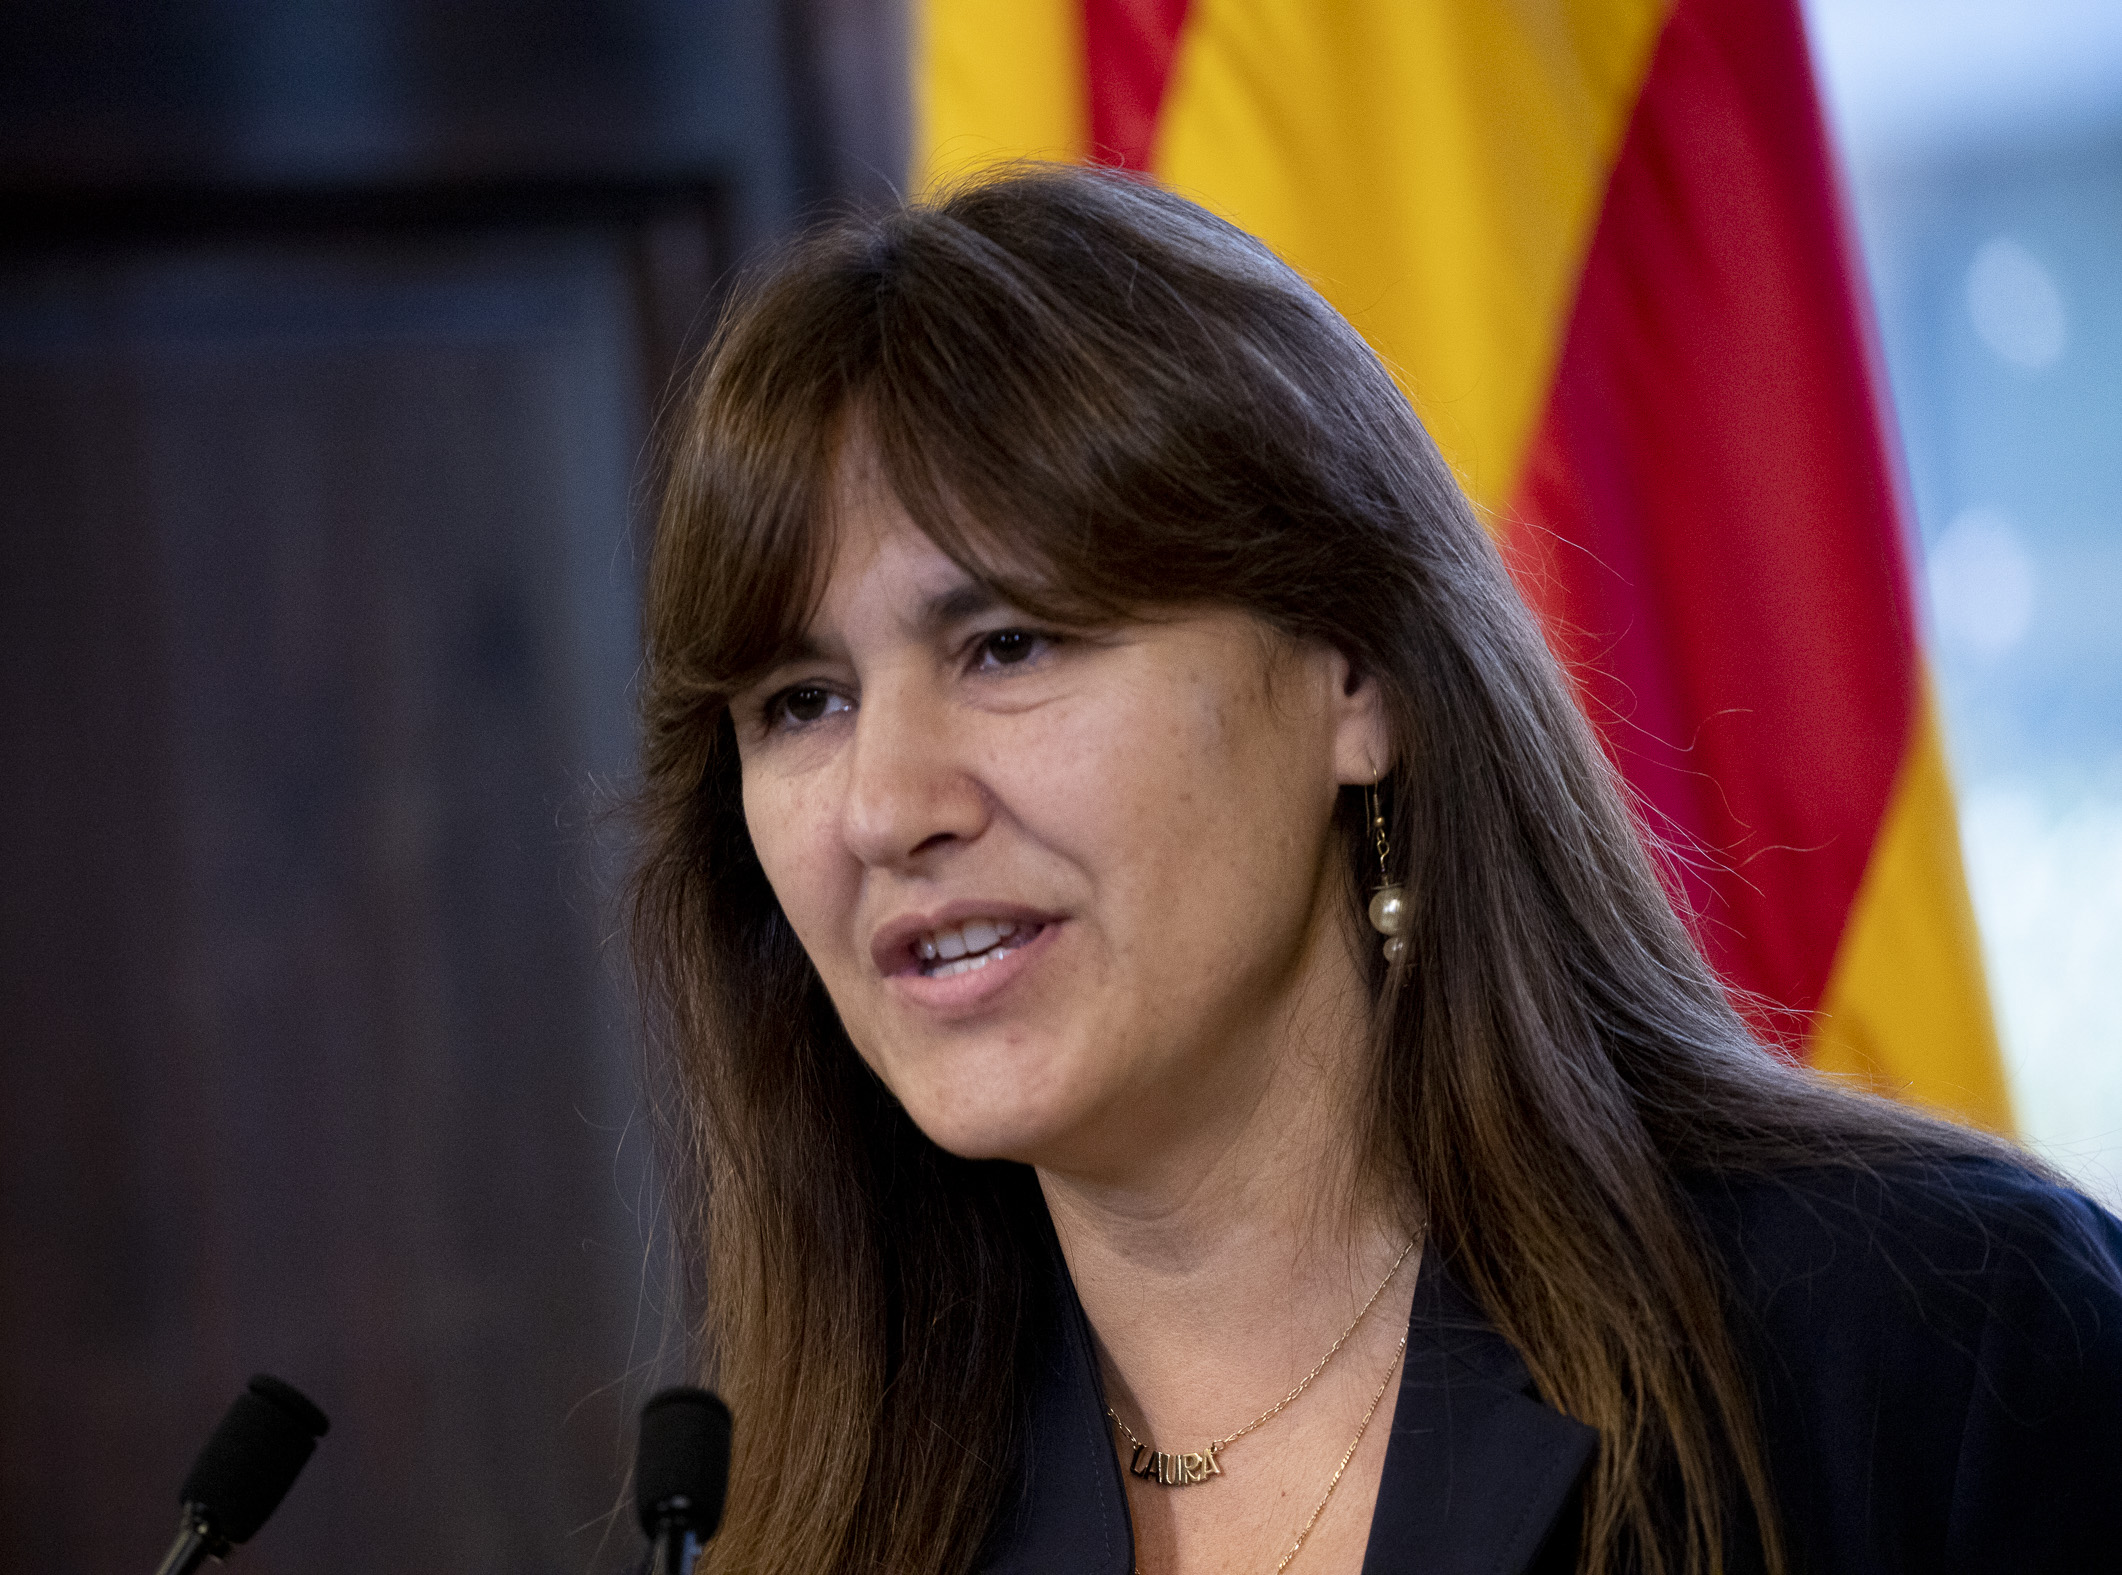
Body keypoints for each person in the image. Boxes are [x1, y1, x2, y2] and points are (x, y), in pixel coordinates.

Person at [623, 165, 2122, 1575]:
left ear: (1355, 675)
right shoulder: (791, 1517)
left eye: (1009, 645)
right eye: (799, 704)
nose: (887, 806)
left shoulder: (1935, 1343)